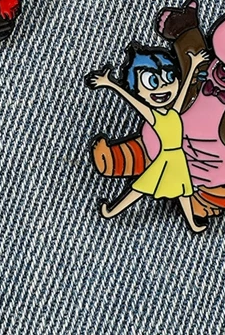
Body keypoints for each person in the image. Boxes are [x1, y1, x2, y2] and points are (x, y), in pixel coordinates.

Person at [86, 45, 208, 233]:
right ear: (138, 90)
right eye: (152, 82)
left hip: (178, 158)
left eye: (169, 78)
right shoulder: (154, 116)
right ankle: (111, 211)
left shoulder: (173, 112)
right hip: (165, 159)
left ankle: (193, 223)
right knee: (140, 188)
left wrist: (193, 66)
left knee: (184, 192)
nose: (163, 87)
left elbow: (183, 91)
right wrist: (111, 84)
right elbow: (133, 101)